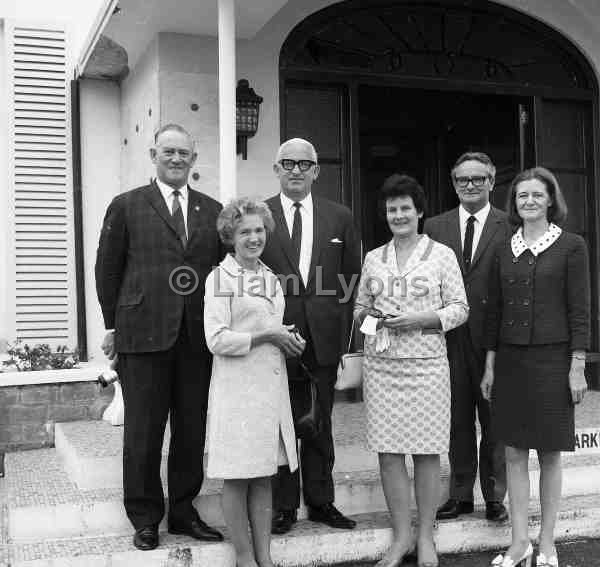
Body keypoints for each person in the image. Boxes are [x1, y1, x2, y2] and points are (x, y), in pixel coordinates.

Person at [95, 123, 224, 551]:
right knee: (144, 432)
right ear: (153, 154)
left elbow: (222, 274)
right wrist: (113, 326)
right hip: (142, 336)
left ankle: (184, 512)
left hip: (195, 340)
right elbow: (107, 269)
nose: (176, 159)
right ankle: (146, 517)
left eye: (183, 153)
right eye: (168, 151)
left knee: (191, 430)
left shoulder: (212, 210)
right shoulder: (127, 205)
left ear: (193, 159)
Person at [355, 174, 469, 567]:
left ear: (419, 212)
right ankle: (401, 536)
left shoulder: (441, 255)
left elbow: (459, 309)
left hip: (427, 367)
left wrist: (419, 318)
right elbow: (358, 312)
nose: (398, 215)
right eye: (392, 209)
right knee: (389, 455)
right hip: (382, 367)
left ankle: (425, 537)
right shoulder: (374, 258)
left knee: (425, 454)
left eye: (405, 208)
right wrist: (374, 318)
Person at [481, 167, 590, 567]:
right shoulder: (502, 248)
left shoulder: (571, 246)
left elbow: (581, 311)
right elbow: (493, 313)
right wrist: (490, 365)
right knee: (512, 451)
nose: (528, 201)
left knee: (549, 454)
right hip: (510, 362)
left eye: (536, 195)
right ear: (514, 203)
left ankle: (547, 541)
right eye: (522, 196)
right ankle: (519, 542)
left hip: (552, 361)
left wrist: (577, 365)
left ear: (550, 200)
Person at [261, 138, 362, 535]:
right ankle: (284, 505)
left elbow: (351, 279)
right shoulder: (260, 214)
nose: (296, 170)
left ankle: (321, 502)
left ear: (316, 171)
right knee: (281, 424)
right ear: (277, 169)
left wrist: (341, 336)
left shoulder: (339, 217)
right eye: (288, 163)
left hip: (323, 339)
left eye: (305, 164)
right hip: (274, 337)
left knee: (320, 422)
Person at [204, 198, 304, 567]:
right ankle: (245, 558)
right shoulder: (219, 278)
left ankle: (265, 556)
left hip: (268, 392)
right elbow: (215, 339)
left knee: (263, 477)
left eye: (259, 230)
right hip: (237, 393)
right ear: (230, 235)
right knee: (236, 478)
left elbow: (272, 330)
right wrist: (268, 335)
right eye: (245, 231)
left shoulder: (271, 277)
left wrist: (290, 342)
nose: (253, 237)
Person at [424, 152, 510, 523]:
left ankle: (494, 496)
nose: (470, 185)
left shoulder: (510, 224)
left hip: (496, 339)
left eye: (478, 179)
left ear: (492, 181)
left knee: (496, 420)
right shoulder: (434, 225)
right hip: (449, 337)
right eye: (463, 180)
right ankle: (460, 495)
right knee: (457, 419)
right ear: (453, 183)